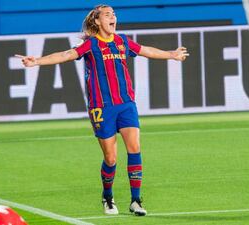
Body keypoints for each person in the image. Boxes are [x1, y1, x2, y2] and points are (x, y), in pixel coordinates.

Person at [16, 4, 189, 216]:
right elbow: (66, 54)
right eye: (108, 15)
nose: (113, 17)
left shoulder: (122, 41)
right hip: (101, 107)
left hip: (126, 103)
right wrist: (37, 62)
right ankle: (107, 196)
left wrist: (171, 54)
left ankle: (136, 200)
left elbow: (146, 51)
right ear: (97, 21)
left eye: (114, 14)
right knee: (111, 158)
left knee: (134, 147)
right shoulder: (90, 45)